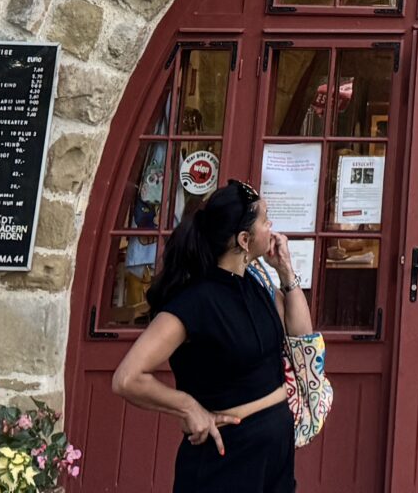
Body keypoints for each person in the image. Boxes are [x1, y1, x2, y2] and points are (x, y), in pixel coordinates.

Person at [113, 180, 317, 493]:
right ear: (244, 239)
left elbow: (301, 337)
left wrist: (286, 271)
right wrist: (187, 407)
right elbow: (127, 378)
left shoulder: (256, 286)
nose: (272, 226)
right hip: (229, 460)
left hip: (275, 453)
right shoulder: (197, 301)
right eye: (265, 219)